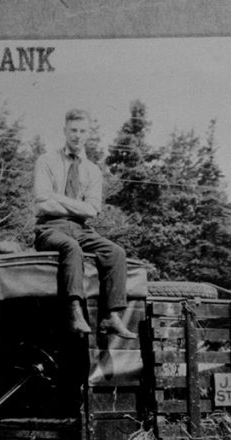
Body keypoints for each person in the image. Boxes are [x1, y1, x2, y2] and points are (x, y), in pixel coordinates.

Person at [32, 109, 136, 339]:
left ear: (88, 133)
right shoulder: (46, 161)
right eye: (73, 131)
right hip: (50, 228)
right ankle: (74, 312)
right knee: (71, 247)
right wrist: (74, 205)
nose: (77, 136)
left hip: (81, 228)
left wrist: (57, 197)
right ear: (65, 131)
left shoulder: (92, 171)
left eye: (82, 131)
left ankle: (111, 316)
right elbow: (42, 204)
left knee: (115, 252)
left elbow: (92, 210)